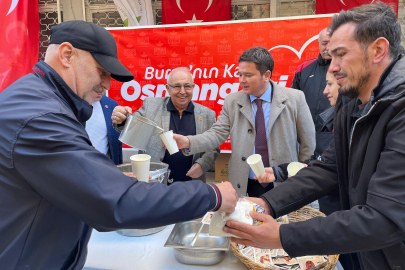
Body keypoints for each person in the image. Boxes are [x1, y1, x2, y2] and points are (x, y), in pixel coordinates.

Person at [0, 20, 238, 269]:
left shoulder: (40, 101)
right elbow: (115, 201)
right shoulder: (41, 117)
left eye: (187, 85)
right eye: (102, 71)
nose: (106, 84)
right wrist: (212, 194)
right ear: (67, 55)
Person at [223, 3, 405, 269]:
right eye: (330, 57)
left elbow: (385, 219)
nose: (332, 69)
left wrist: (284, 236)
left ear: (378, 50)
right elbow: (328, 168)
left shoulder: (399, 109)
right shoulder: (352, 103)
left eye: (341, 55)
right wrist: (268, 203)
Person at [173, 47, 315, 197]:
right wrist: (188, 142)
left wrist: (299, 174)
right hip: (246, 183)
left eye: (248, 75)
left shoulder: (295, 99)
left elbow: (308, 142)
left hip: (283, 182)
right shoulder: (232, 101)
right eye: (240, 74)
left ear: (266, 75)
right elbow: (216, 134)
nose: (242, 80)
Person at [112, 67, 219, 183]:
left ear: (193, 88)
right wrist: (123, 119)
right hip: (155, 184)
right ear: (168, 88)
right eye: (177, 86)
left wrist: (202, 165)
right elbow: (133, 125)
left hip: (192, 184)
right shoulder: (151, 106)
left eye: (187, 86)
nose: (182, 91)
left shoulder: (207, 114)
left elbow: (213, 147)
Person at [291, 28, 332, 137]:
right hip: (304, 135)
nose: (327, 47)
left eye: (331, 43)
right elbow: (292, 102)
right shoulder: (303, 69)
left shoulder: (345, 68)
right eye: (324, 43)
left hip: (334, 135)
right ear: (318, 44)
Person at [86, 94, 122, 165]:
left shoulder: (111, 104)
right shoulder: (66, 103)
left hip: (106, 169)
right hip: (78, 169)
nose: (106, 86)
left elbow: (116, 146)